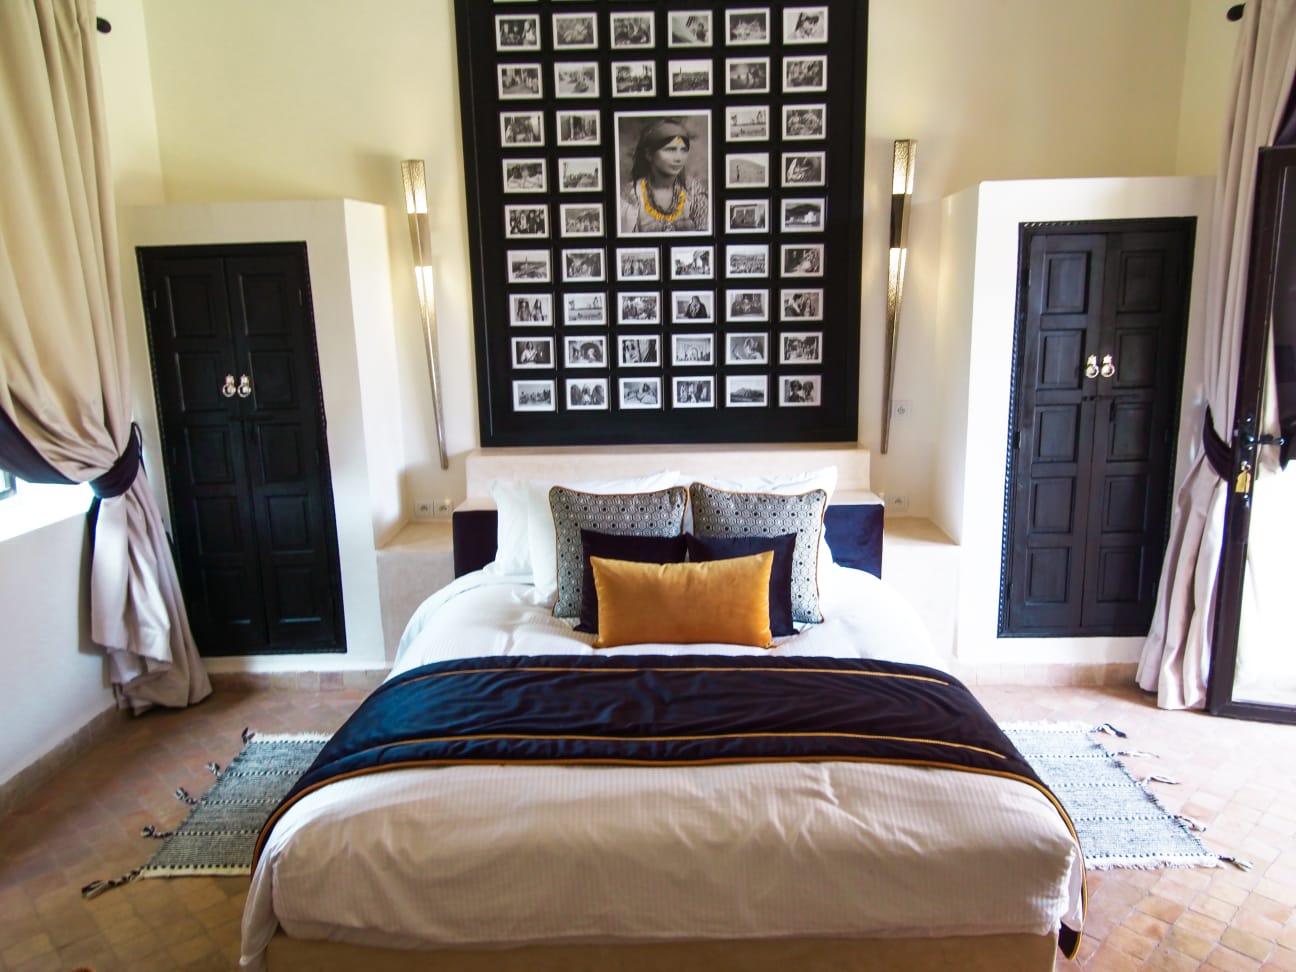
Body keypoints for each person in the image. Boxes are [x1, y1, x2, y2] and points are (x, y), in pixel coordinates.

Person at [620, 118, 709, 234]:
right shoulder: (631, 196)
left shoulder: (694, 192)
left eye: (683, 150)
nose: (678, 158)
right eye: (670, 150)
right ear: (649, 154)